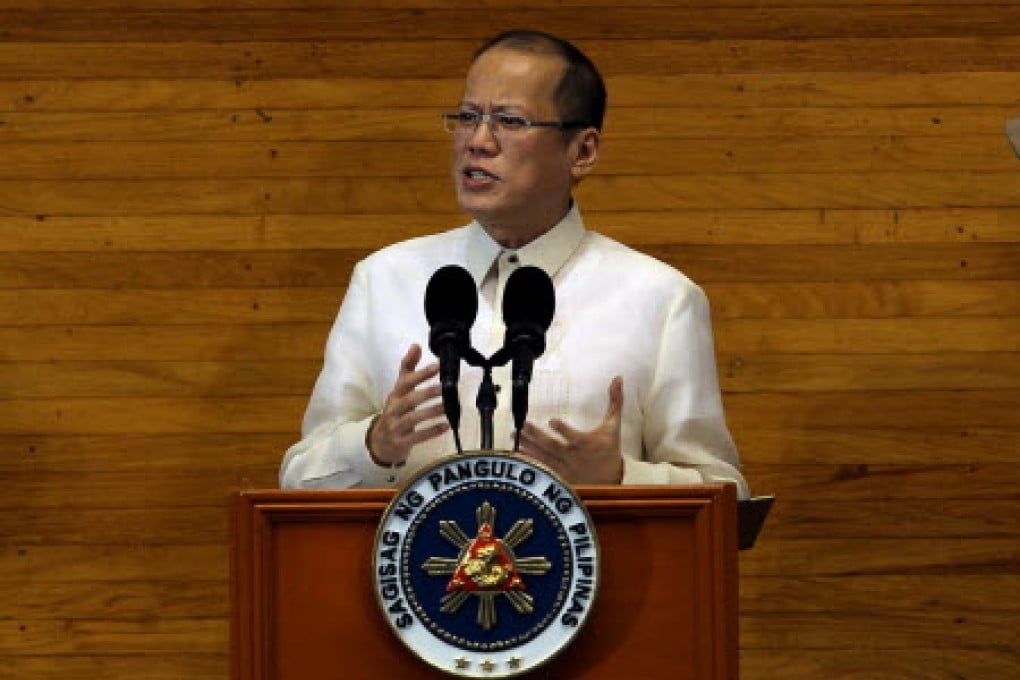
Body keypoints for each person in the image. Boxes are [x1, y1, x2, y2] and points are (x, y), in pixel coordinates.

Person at [280, 29, 749, 498]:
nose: (478, 141)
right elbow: (299, 477)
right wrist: (374, 447)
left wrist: (619, 477)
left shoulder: (661, 299)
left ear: (582, 151)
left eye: (509, 120)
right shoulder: (383, 280)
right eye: (467, 117)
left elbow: (726, 495)